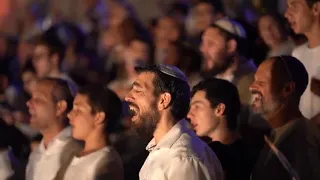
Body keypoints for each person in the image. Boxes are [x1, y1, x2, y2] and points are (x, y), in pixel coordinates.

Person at [124, 64, 223, 180]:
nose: (128, 97)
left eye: (138, 90)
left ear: (163, 100)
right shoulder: (163, 150)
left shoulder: (183, 160)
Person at [250, 56, 320, 180]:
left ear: (287, 89)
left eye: (261, 83)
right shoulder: (273, 132)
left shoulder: (303, 140)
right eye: (255, 81)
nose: (252, 87)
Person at [187, 78, 257, 180]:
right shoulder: (204, 151)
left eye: (197, 107)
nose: (189, 115)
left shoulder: (238, 160)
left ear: (219, 109)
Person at [57, 84, 124, 180]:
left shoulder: (108, 162)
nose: (70, 115)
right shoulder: (72, 155)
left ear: (99, 117)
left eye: (78, 110)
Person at [26, 77, 82, 180]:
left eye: (38, 99)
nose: (29, 103)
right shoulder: (36, 155)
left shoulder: (77, 153)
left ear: (60, 107)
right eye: (31, 98)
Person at [200, 17, 256, 105]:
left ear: (231, 46)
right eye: (203, 43)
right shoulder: (209, 80)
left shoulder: (251, 83)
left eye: (211, 44)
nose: (203, 49)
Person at [285, 0, 320, 120]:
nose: (287, 14)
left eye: (294, 6)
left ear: (315, 8)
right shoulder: (298, 54)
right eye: (287, 7)